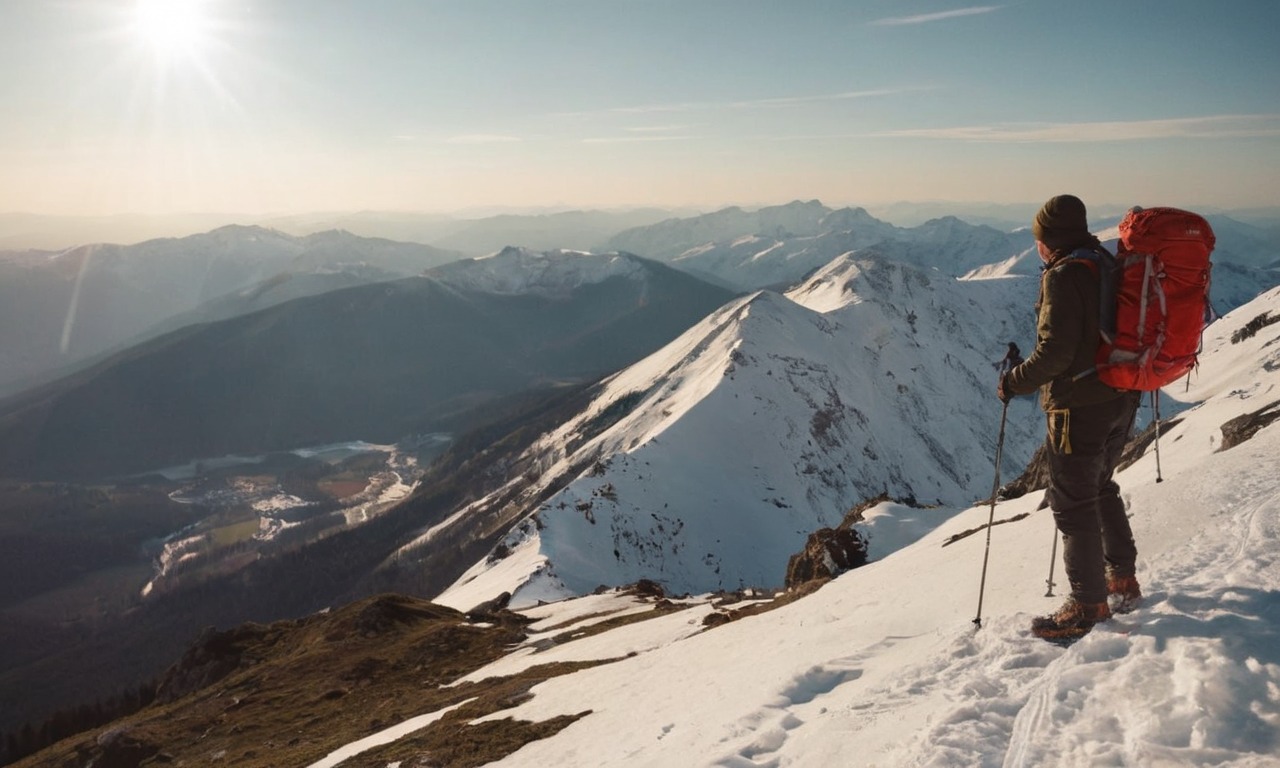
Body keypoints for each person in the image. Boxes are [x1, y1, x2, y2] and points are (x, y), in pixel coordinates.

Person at [997, 194, 1143, 641]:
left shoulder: (1063, 276)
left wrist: (1012, 382)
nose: (1037, 246)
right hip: (1122, 393)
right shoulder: (1104, 260)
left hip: (1080, 408)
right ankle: (1121, 577)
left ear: (1050, 239)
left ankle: (1088, 605)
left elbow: (1054, 354)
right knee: (1100, 487)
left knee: (1072, 502)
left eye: (1039, 238)